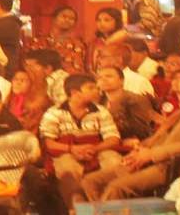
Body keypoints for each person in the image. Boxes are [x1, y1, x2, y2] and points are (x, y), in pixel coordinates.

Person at [81, 74, 180, 200]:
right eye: (179, 94)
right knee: (91, 181)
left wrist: (151, 155)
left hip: (171, 166)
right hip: (151, 160)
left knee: (117, 187)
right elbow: (160, 138)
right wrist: (140, 150)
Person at [41, 73, 123, 205]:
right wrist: (72, 149)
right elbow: (49, 143)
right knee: (68, 167)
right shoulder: (54, 113)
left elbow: (113, 138)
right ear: (75, 92)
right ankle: (78, 208)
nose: (97, 90)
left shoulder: (101, 111)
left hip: (98, 150)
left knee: (114, 162)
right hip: (67, 152)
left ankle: (109, 207)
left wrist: (93, 148)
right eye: (91, 88)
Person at [96, 66, 160, 140]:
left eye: (109, 76)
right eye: (100, 78)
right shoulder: (100, 102)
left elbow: (143, 130)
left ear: (121, 81)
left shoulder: (135, 100)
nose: (103, 80)